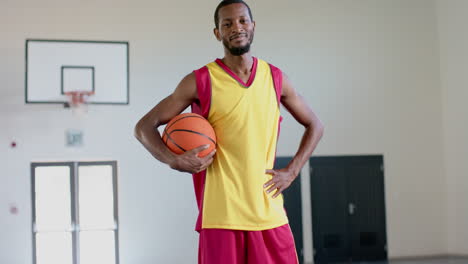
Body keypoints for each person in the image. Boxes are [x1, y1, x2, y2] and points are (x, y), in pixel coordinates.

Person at [134, 0, 324, 263]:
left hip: (268, 213)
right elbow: (144, 126)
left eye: (243, 21)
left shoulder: (276, 78)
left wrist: (292, 171)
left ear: (253, 26)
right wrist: (173, 159)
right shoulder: (200, 80)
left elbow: (315, 125)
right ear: (217, 33)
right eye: (227, 23)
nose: (237, 27)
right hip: (220, 216)